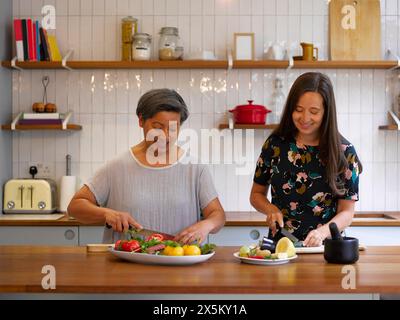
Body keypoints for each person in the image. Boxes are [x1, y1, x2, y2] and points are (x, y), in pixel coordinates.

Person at [68, 89, 225, 244]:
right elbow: (75, 206)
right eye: (157, 126)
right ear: (141, 121)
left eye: (172, 128)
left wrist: (207, 225)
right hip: (126, 265)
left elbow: (217, 214)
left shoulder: (195, 168)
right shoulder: (117, 167)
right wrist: (106, 214)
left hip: (182, 264)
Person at [250, 72, 362, 247]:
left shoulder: (344, 153)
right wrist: (271, 210)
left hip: (327, 248)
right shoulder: (275, 145)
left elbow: (347, 212)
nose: (305, 118)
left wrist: (322, 232)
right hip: (281, 247)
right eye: (298, 110)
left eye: (314, 112)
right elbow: (256, 195)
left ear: (326, 112)